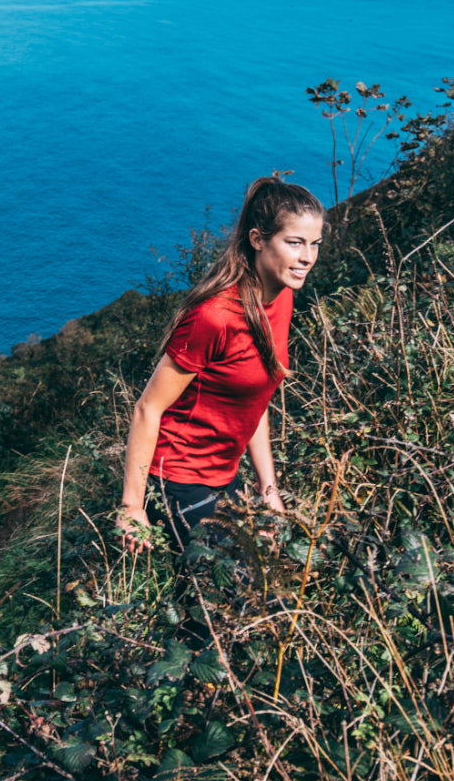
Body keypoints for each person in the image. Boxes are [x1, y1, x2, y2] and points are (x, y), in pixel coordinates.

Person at [118, 176, 324, 555]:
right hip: (176, 480)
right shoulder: (213, 316)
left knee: (273, 564)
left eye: (314, 244)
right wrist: (131, 507)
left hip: (223, 477)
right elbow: (148, 408)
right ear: (258, 239)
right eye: (294, 243)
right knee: (233, 591)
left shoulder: (281, 298)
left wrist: (269, 491)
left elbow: (253, 401)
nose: (307, 257)